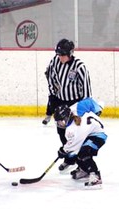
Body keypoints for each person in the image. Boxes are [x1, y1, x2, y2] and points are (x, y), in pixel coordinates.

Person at [42, 38, 92, 171]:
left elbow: (86, 91)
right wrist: (53, 96)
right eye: (58, 54)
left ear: (70, 53)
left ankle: (82, 163)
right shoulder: (54, 61)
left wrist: (83, 109)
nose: (60, 57)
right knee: (62, 132)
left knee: (77, 134)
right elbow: (50, 77)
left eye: (62, 55)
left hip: (75, 103)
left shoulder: (80, 67)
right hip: (60, 102)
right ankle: (70, 158)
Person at [54, 104, 107, 188]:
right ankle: (84, 171)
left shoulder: (73, 129)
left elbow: (74, 146)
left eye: (60, 120)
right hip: (89, 134)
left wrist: (63, 151)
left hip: (98, 135)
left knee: (84, 153)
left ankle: (96, 178)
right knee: (77, 154)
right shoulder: (74, 112)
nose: (59, 124)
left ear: (66, 117)